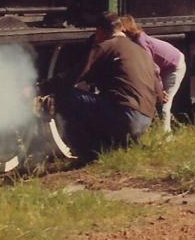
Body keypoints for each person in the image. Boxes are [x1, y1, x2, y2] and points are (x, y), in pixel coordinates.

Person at [62, 12, 162, 157]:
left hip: (125, 118)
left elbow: (74, 76)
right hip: (145, 121)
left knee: (66, 95)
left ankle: (91, 153)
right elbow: (159, 95)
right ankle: (114, 146)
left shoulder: (105, 46)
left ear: (99, 31)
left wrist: (40, 88)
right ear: (121, 28)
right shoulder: (141, 51)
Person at [119, 15, 186, 133]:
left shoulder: (140, 42)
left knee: (164, 103)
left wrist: (159, 89)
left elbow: (152, 67)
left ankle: (166, 136)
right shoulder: (134, 40)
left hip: (174, 66)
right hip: (165, 65)